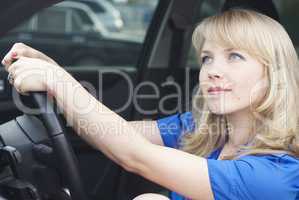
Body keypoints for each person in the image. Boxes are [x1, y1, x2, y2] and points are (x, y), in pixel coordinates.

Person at [2, 9, 299, 200]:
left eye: (234, 56)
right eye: (207, 57)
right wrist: (59, 78)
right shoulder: (202, 130)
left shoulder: (276, 175)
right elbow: (116, 133)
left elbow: (135, 155)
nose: (212, 70)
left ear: (273, 73)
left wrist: (58, 81)